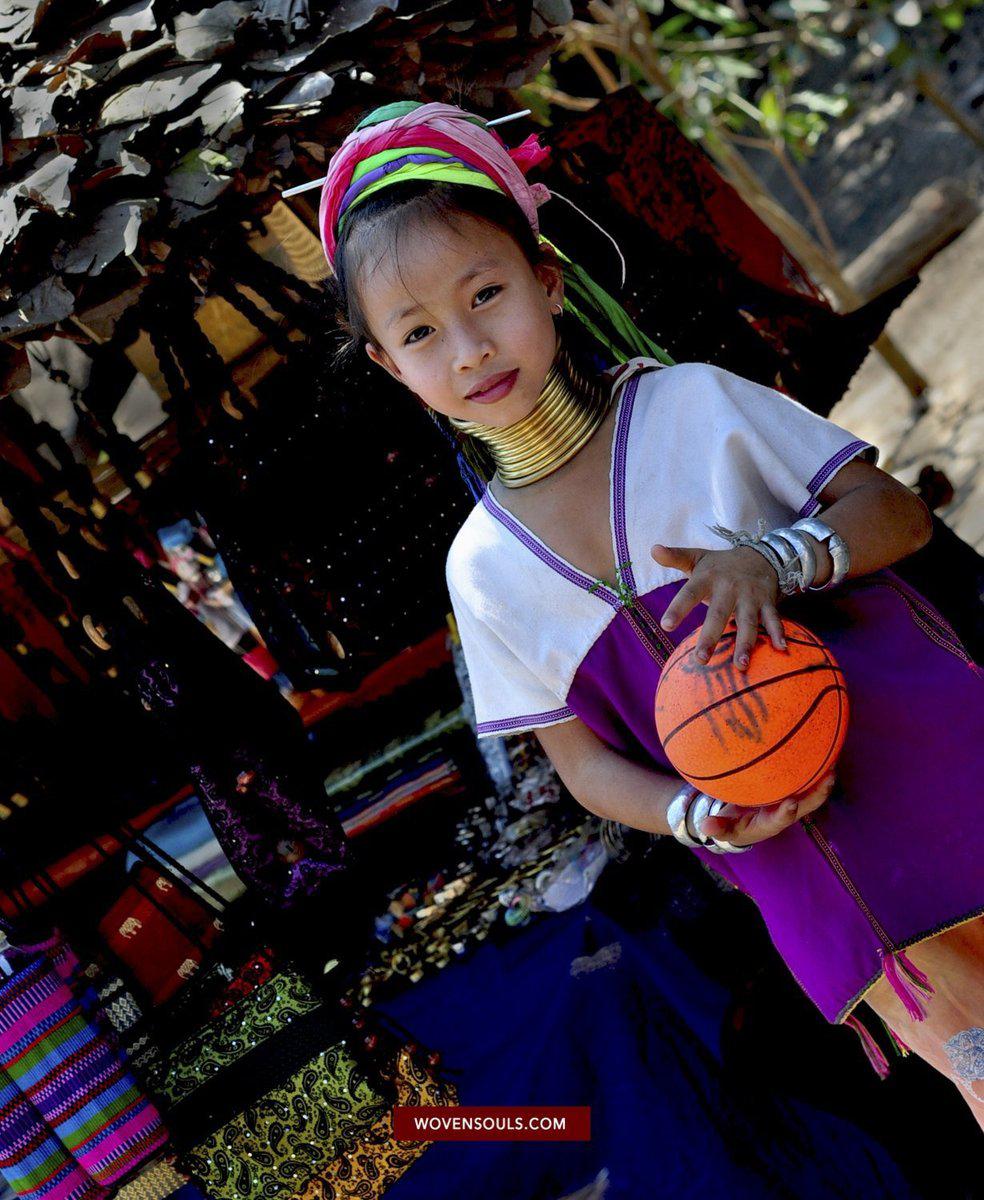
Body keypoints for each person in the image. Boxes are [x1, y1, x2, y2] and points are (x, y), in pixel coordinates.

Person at [317, 100, 984, 1128]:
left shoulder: (693, 407)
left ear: (547, 279)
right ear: (388, 369)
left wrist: (780, 556)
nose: (466, 348)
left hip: (946, 781)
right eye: (418, 333)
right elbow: (583, 769)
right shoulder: (483, 574)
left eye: (486, 292)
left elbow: (893, 513)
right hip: (828, 896)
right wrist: (696, 815)